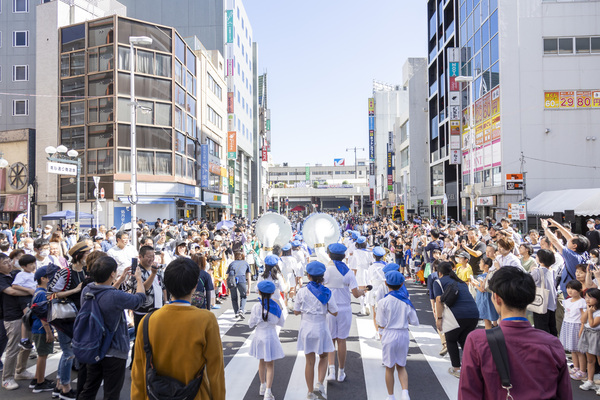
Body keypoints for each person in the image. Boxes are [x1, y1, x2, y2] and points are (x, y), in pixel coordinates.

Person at [458, 266, 572, 400]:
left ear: (497, 298)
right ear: (530, 298)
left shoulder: (477, 340)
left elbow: (468, 393)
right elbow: (565, 394)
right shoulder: (552, 343)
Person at [130, 257, 225, 400]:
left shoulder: (148, 320)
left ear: (166, 285)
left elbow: (138, 372)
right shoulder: (206, 320)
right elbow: (215, 371)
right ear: (194, 286)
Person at [78, 256, 146, 400]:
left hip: (93, 346)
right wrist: (139, 279)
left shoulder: (87, 290)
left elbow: (104, 294)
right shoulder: (116, 296)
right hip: (114, 350)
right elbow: (139, 300)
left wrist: (119, 280)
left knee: (89, 388)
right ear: (112, 274)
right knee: (111, 393)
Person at [48, 241, 90, 399]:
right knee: (68, 352)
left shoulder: (86, 271)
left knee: (68, 352)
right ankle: (65, 387)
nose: (88, 257)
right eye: (86, 254)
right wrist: (75, 290)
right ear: (79, 256)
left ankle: (59, 385)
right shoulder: (65, 272)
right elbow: (50, 293)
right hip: (65, 317)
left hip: (77, 316)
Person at [294, 261, 338, 400]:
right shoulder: (327, 292)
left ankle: (310, 391)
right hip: (321, 326)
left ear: (308, 276)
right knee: (324, 357)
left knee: (309, 361)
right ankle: (320, 384)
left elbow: (295, 311)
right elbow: (335, 312)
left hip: (306, 327)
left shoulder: (301, 291)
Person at [324, 243, 367, 382]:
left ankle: (331, 371)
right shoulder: (348, 272)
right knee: (342, 340)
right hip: (344, 309)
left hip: (330, 309)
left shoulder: (326, 271)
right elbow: (355, 294)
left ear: (329, 255)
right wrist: (363, 291)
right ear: (344, 256)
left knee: (331, 339)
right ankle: (341, 372)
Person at [433, 262, 479, 378]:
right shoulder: (461, 282)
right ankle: (472, 368)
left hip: (456, 315)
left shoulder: (438, 282)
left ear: (439, 272)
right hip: (473, 314)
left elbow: (439, 301)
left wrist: (439, 319)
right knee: (465, 340)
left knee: (451, 340)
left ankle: (457, 369)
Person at [377, 271, 418, 400]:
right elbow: (414, 321)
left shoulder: (383, 302)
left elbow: (381, 322)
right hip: (403, 334)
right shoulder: (406, 301)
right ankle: (405, 393)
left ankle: (391, 396)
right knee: (401, 365)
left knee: (389, 367)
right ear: (401, 284)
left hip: (389, 333)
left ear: (386, 283)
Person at [1, 253, 35, 391]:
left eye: (9, 261)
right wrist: (32, 292)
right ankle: (7, 378)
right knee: (13, 347)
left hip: (26, 313)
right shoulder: (1, 278)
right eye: (5, 263)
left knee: (27, 343)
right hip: (12, 316)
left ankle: (20, 371)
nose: (9, 264)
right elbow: (12, 292)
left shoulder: (16, 273)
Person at [249, 280, 285, 400]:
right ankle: (268, 392)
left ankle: (262, 386)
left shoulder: (256, 306)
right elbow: (281, 322)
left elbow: (250, 324)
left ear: (259, 292)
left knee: (261, 361)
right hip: (271, 336)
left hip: (259, 336)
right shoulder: (276, 306)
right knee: (270, 365)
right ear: (272, 292)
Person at [30, 266, 55, 393]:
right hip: (41, 329)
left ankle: (36, 378)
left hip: (37, 328)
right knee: (42, 356)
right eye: (50, 277)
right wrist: (48, 332)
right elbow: (42, 315)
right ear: (43, 279)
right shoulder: (42, 294)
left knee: (42, 355)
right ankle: (40, 383)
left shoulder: (38, 291)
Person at [560, 280, 587, 381]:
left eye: (573, 289)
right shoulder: (567, 301)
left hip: (576, 326)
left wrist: (581, 330)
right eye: (568, 288)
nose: (570, 291)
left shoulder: (582, 302)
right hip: (567, 324)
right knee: (572, 350)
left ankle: (583, 371)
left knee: (579, 351)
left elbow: (584, 318)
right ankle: (576, 367)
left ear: (580, 290)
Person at [577, 288, 600, 393]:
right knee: (590, 360)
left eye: (590, 297)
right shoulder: (589, 308)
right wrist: (588, 310)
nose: (587, 299)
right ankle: (590, 381)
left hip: (597, 336)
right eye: (586, 297)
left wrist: (590, 312)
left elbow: (592, 324)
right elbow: (583, 320)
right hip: (587, 334)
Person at [531, 249, 558, 335]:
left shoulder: (537, 271)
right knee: (551, 327)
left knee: (541, 329)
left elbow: (528, 281)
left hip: (541, 303)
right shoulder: (552, 270)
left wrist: (532, 270)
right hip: (552, 303)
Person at [227, 251, 252, 319]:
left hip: (232, 280)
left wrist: (227, 288)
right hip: (241, 279)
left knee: (234, 298)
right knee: (243, 296)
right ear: (243, 256)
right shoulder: (245, 263)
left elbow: (228, 276)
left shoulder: (232, 263)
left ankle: (236, 312)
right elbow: (248, 277)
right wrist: (249, 288)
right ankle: (241, 310)